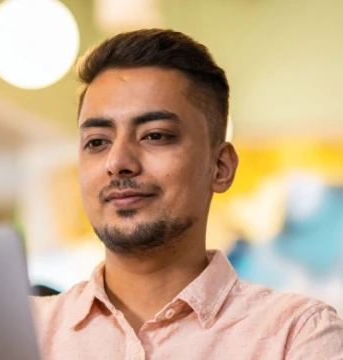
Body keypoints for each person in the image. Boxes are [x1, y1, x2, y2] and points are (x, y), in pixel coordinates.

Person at [31, 29, 343, 359]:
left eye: (155, 135)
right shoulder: (27, 330)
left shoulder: (297, 335)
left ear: (221, 167)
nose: (118, 162)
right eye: (97, 142)